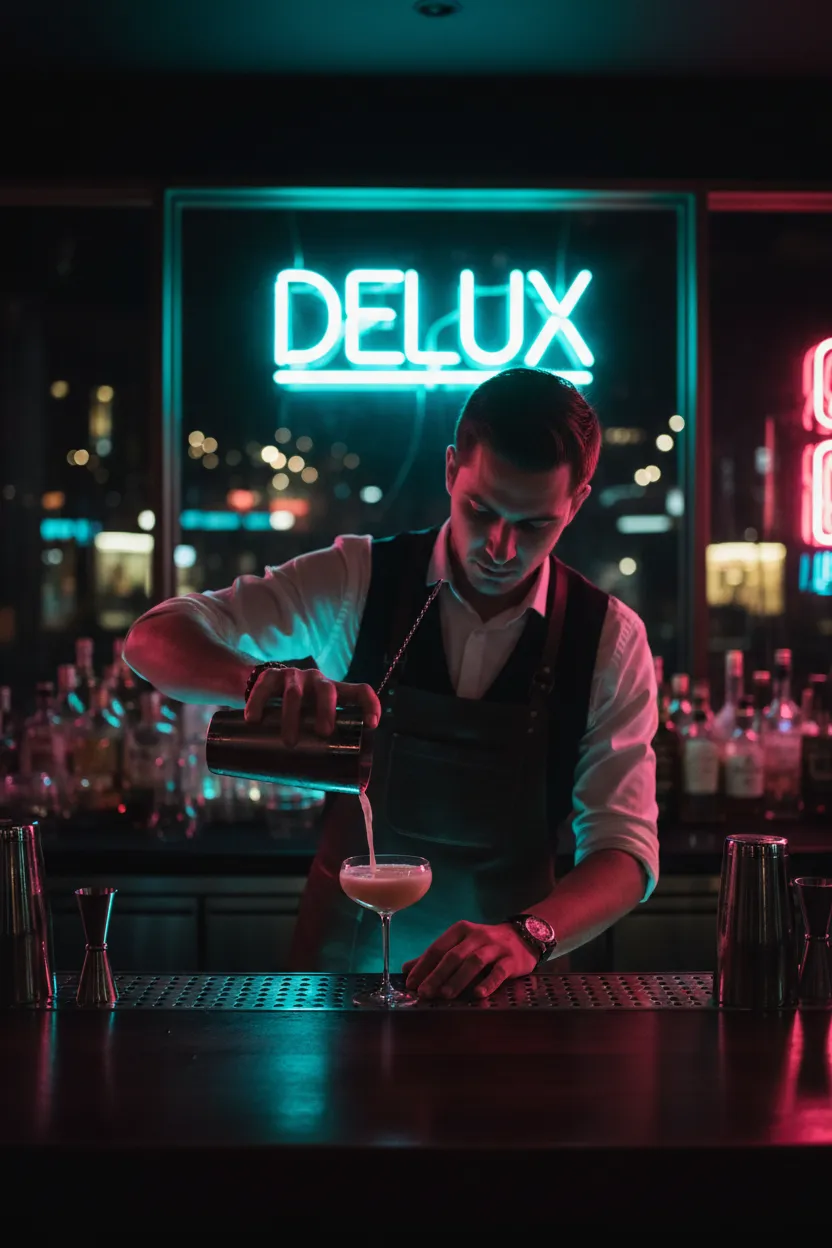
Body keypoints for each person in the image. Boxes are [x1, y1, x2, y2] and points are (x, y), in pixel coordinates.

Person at [124, 367, 659, 999]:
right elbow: (151, 639)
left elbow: (625, 852)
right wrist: (256, 680)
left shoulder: (608, 638)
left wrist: (527, 937)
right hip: (338, 985)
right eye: (480, 510)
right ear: (451, 469)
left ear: (576, 503)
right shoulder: (359, 579)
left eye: (535, 524)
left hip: (507, 989)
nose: (499, 547)